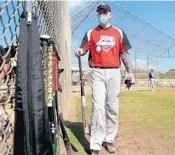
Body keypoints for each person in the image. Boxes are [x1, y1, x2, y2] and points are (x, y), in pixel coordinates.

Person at [75, 4, 135, 155]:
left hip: (115, 72)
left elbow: (124, 54)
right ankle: (95, 144)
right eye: (100, 12)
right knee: (98, 107)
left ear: (110, 15)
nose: (102, 14)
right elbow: (84, 48)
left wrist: (130, 71)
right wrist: (80, 51)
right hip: (97, 72)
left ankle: (109, 139)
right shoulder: (91, 32)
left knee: (112, 107)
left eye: (105, 12)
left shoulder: (118, 32)